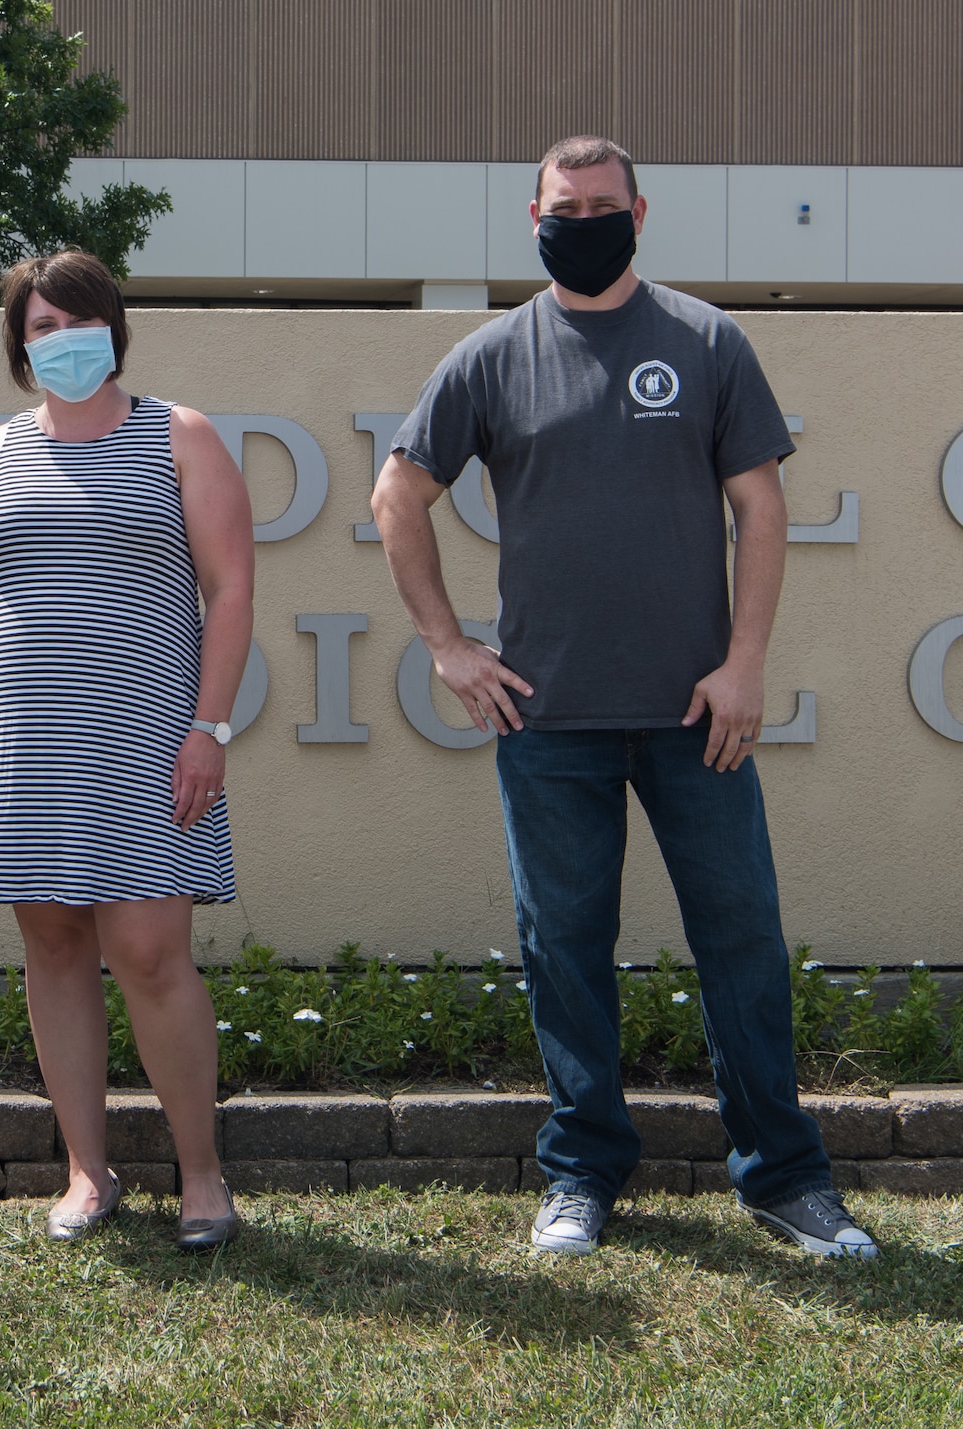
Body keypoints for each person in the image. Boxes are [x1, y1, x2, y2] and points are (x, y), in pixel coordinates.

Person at [371, 137, 876, 1260]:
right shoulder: (492, 356)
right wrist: (447, 645)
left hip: (697, 713)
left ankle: (783, 1178)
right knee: (563, 945)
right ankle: (581, 1170)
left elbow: (762, 509)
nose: (584, 218)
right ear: (532, 215)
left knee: (740, 938)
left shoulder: (703, 341)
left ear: (639, 212)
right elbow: (396, 493)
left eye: (603, 204)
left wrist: (742, 663)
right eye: (566, 204)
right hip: (545, 720)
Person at [0, 250, 255, 1250]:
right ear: (19, 342)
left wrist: (209, 726)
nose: (64, 339)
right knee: (54, 947)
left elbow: (229, 592)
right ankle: (85, 1171)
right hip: (20, 745)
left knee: (149, 951)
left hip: (151, 738)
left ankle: (201, 1176)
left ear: (115, 325)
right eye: (42, 325)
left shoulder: (179, 436)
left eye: (80, 319)